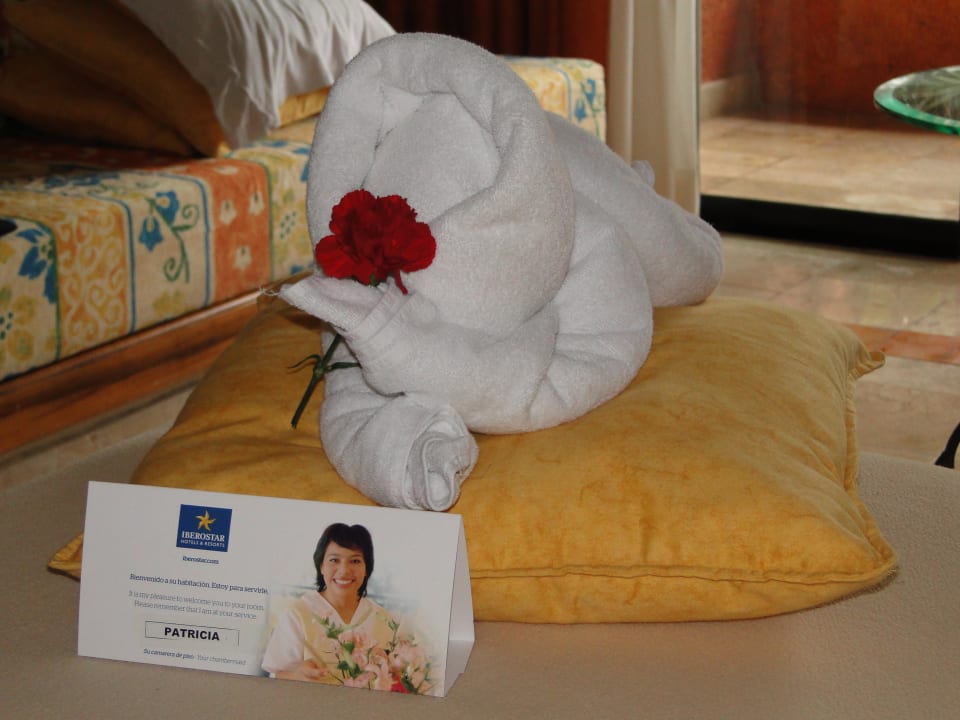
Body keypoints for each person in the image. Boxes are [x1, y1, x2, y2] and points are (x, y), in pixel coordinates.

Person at [261, 523, 430, 692]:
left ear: (367, 568)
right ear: (321, 566)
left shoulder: (386, 620)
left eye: (355, 561)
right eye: (334, 560)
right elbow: (275, 677)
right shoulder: (298, 614)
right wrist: (298, 676)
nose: (344, 570)